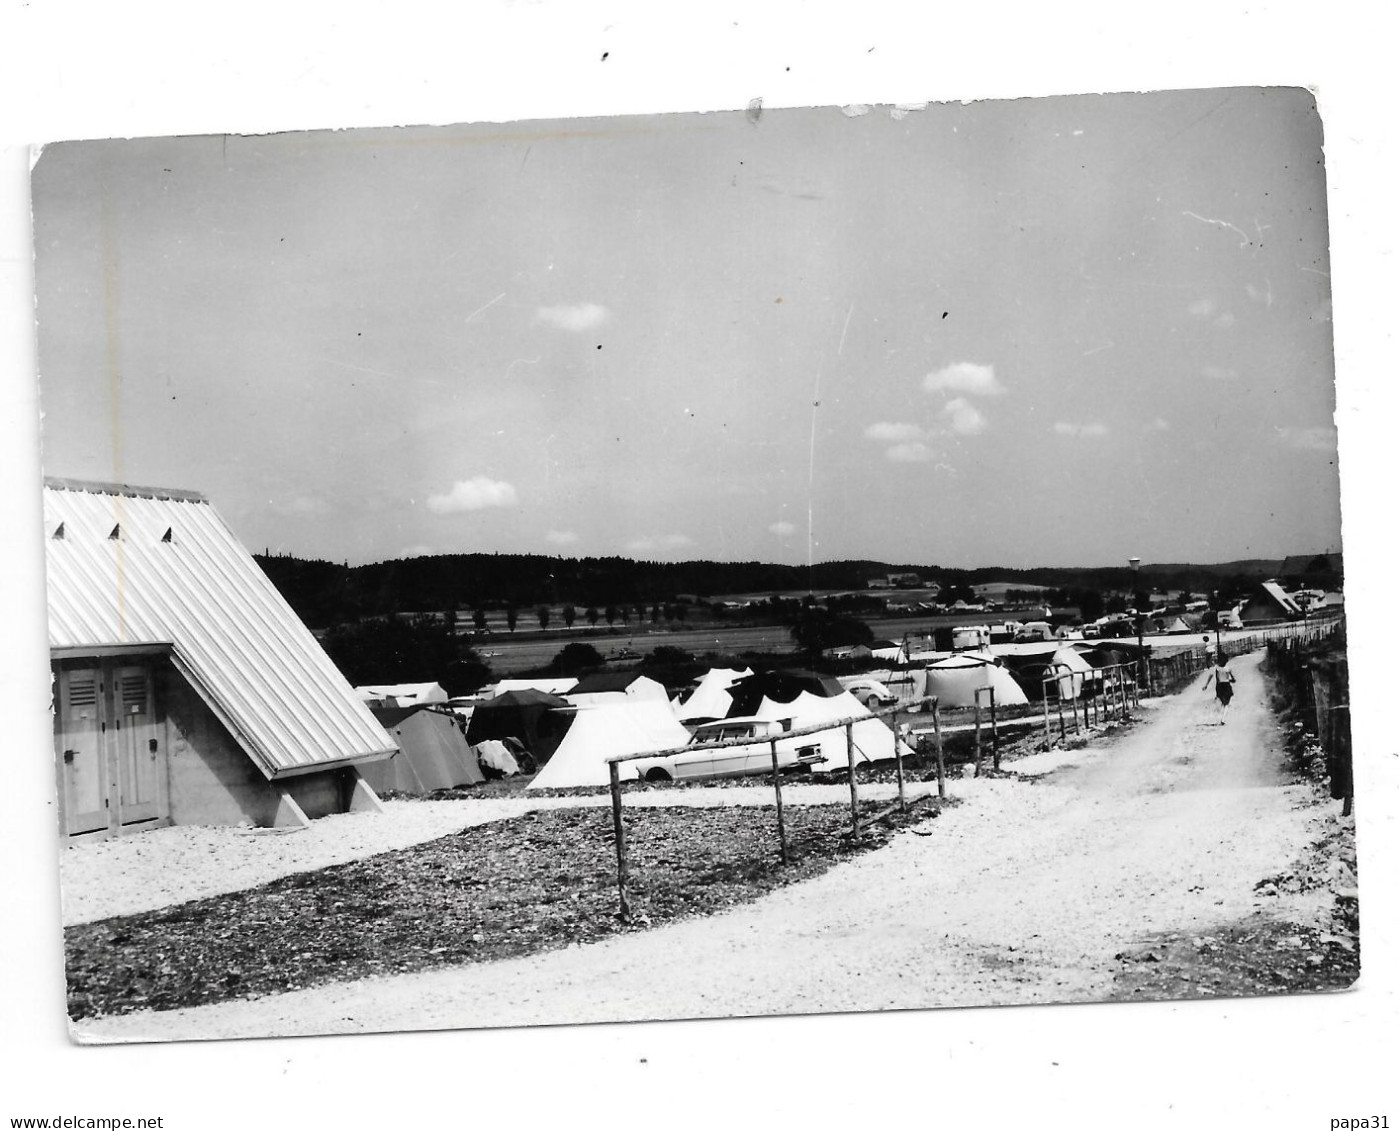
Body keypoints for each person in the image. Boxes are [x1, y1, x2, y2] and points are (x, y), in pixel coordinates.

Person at [1202, 651, 1236, 723]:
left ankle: (1220, 714)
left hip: (1219, 686)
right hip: (1227, 685)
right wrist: (1230, 680)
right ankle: (1223, 718)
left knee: (1223, 702)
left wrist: (1206, 685)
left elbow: (1211, 676)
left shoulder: (1216, 668)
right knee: (1226, 703)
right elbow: (1233, 679)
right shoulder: (1228, 668)